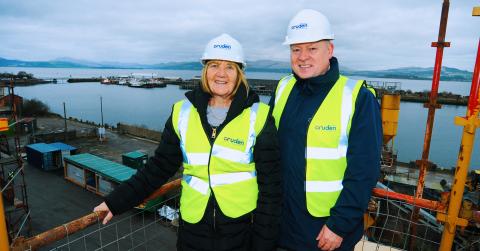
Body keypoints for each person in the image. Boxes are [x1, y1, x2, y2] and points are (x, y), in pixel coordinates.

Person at [94, 33, 282, 251]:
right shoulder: (182, 113)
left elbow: (272, 190)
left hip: (240, 231)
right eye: (214, 65)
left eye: (229, 67)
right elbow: (158, 168)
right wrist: (116, 201)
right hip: (192, 231)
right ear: (205, 70)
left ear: (239, 73)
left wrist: (263, 245)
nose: (221, 74)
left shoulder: (259, 116)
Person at [269, 9, 382, 250]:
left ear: (329, 51)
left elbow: (364, 170)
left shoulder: (357, 98)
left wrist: (340, 224)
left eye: (312, 48)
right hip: (279, 225)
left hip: (324, 232)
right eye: (296, 49)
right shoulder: (282, 88)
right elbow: (267, 148)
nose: (303, 57)